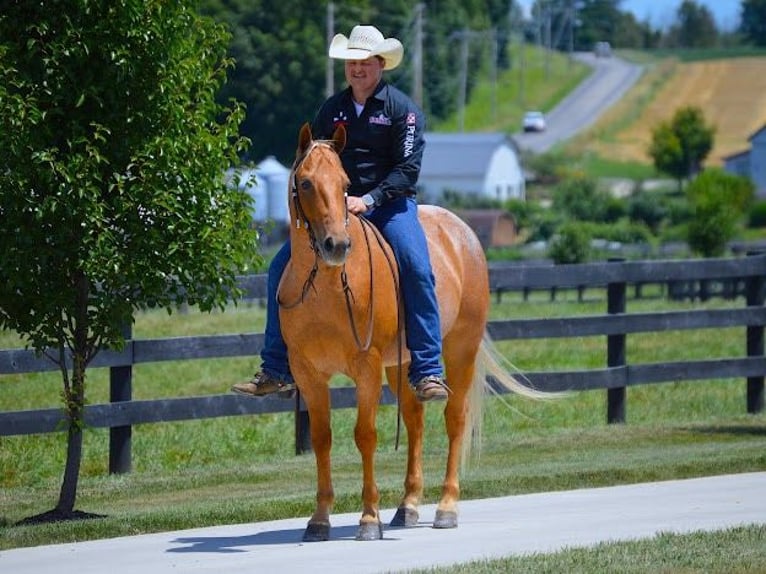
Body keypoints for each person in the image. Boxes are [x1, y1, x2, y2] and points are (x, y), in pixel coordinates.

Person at [232, 25, 448, 402]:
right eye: (352, 62)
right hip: (336, 211)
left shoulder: (404, 112)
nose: (357, 69)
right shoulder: (331, 110)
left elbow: (407, 170)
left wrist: (370, 200)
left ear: (381, 64)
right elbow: (314, 160)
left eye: (365, 62)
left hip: (389, 206)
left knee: (416, 265)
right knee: (278, 270)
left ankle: (428, 369)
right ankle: (276, 369)